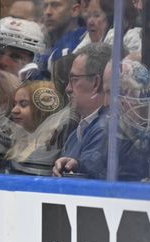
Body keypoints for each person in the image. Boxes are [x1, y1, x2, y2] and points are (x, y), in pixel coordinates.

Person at [53, 43, 111, 178]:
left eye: (74, 79)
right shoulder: (77, 132)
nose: (68, 88)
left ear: (96, 83)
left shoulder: (106, 129)